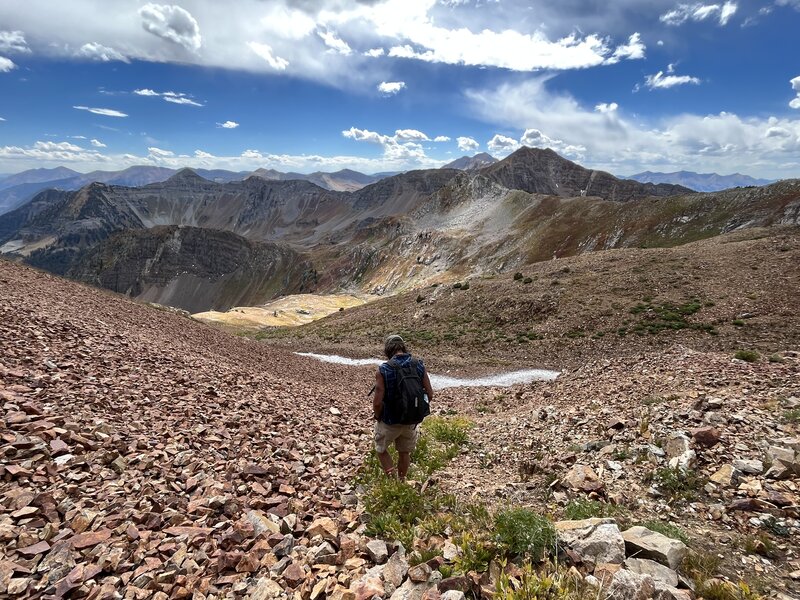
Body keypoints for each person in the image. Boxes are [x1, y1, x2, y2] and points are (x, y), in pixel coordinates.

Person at [373, 334, 434, 480]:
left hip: (390, 421)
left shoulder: (384, 369)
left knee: (381, 450)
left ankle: (391, 479)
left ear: (388, 350)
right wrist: (416, 410)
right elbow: (430, 394)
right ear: (403, 347)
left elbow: (377, 402)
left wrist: (378, 415)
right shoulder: (418, 364)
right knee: (404, 452)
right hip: (411, 420)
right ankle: (401, 480)